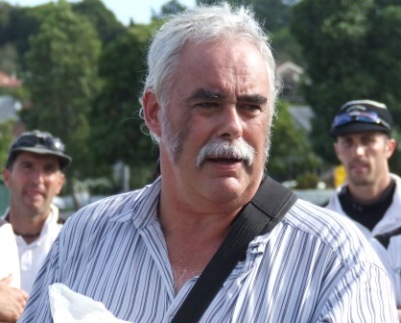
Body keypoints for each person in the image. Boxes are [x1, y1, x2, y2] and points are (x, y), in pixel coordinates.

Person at [21, 4, 398, 322]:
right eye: (208, 104)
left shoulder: (334, 259)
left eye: (251, 107)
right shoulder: (88, 236)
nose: (233, 126)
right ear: (155, 113)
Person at [326, 99, 401, 316]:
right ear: (337, 151)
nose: (358, 152)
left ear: (389, 147)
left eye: (368, 140)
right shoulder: (322, 228)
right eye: (348, 142)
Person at [0, 129, 71, 322]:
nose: (37, 179)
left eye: (48, 169)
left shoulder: (77, 244)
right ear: (7, 177)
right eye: (27, 166)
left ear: (59, 183)